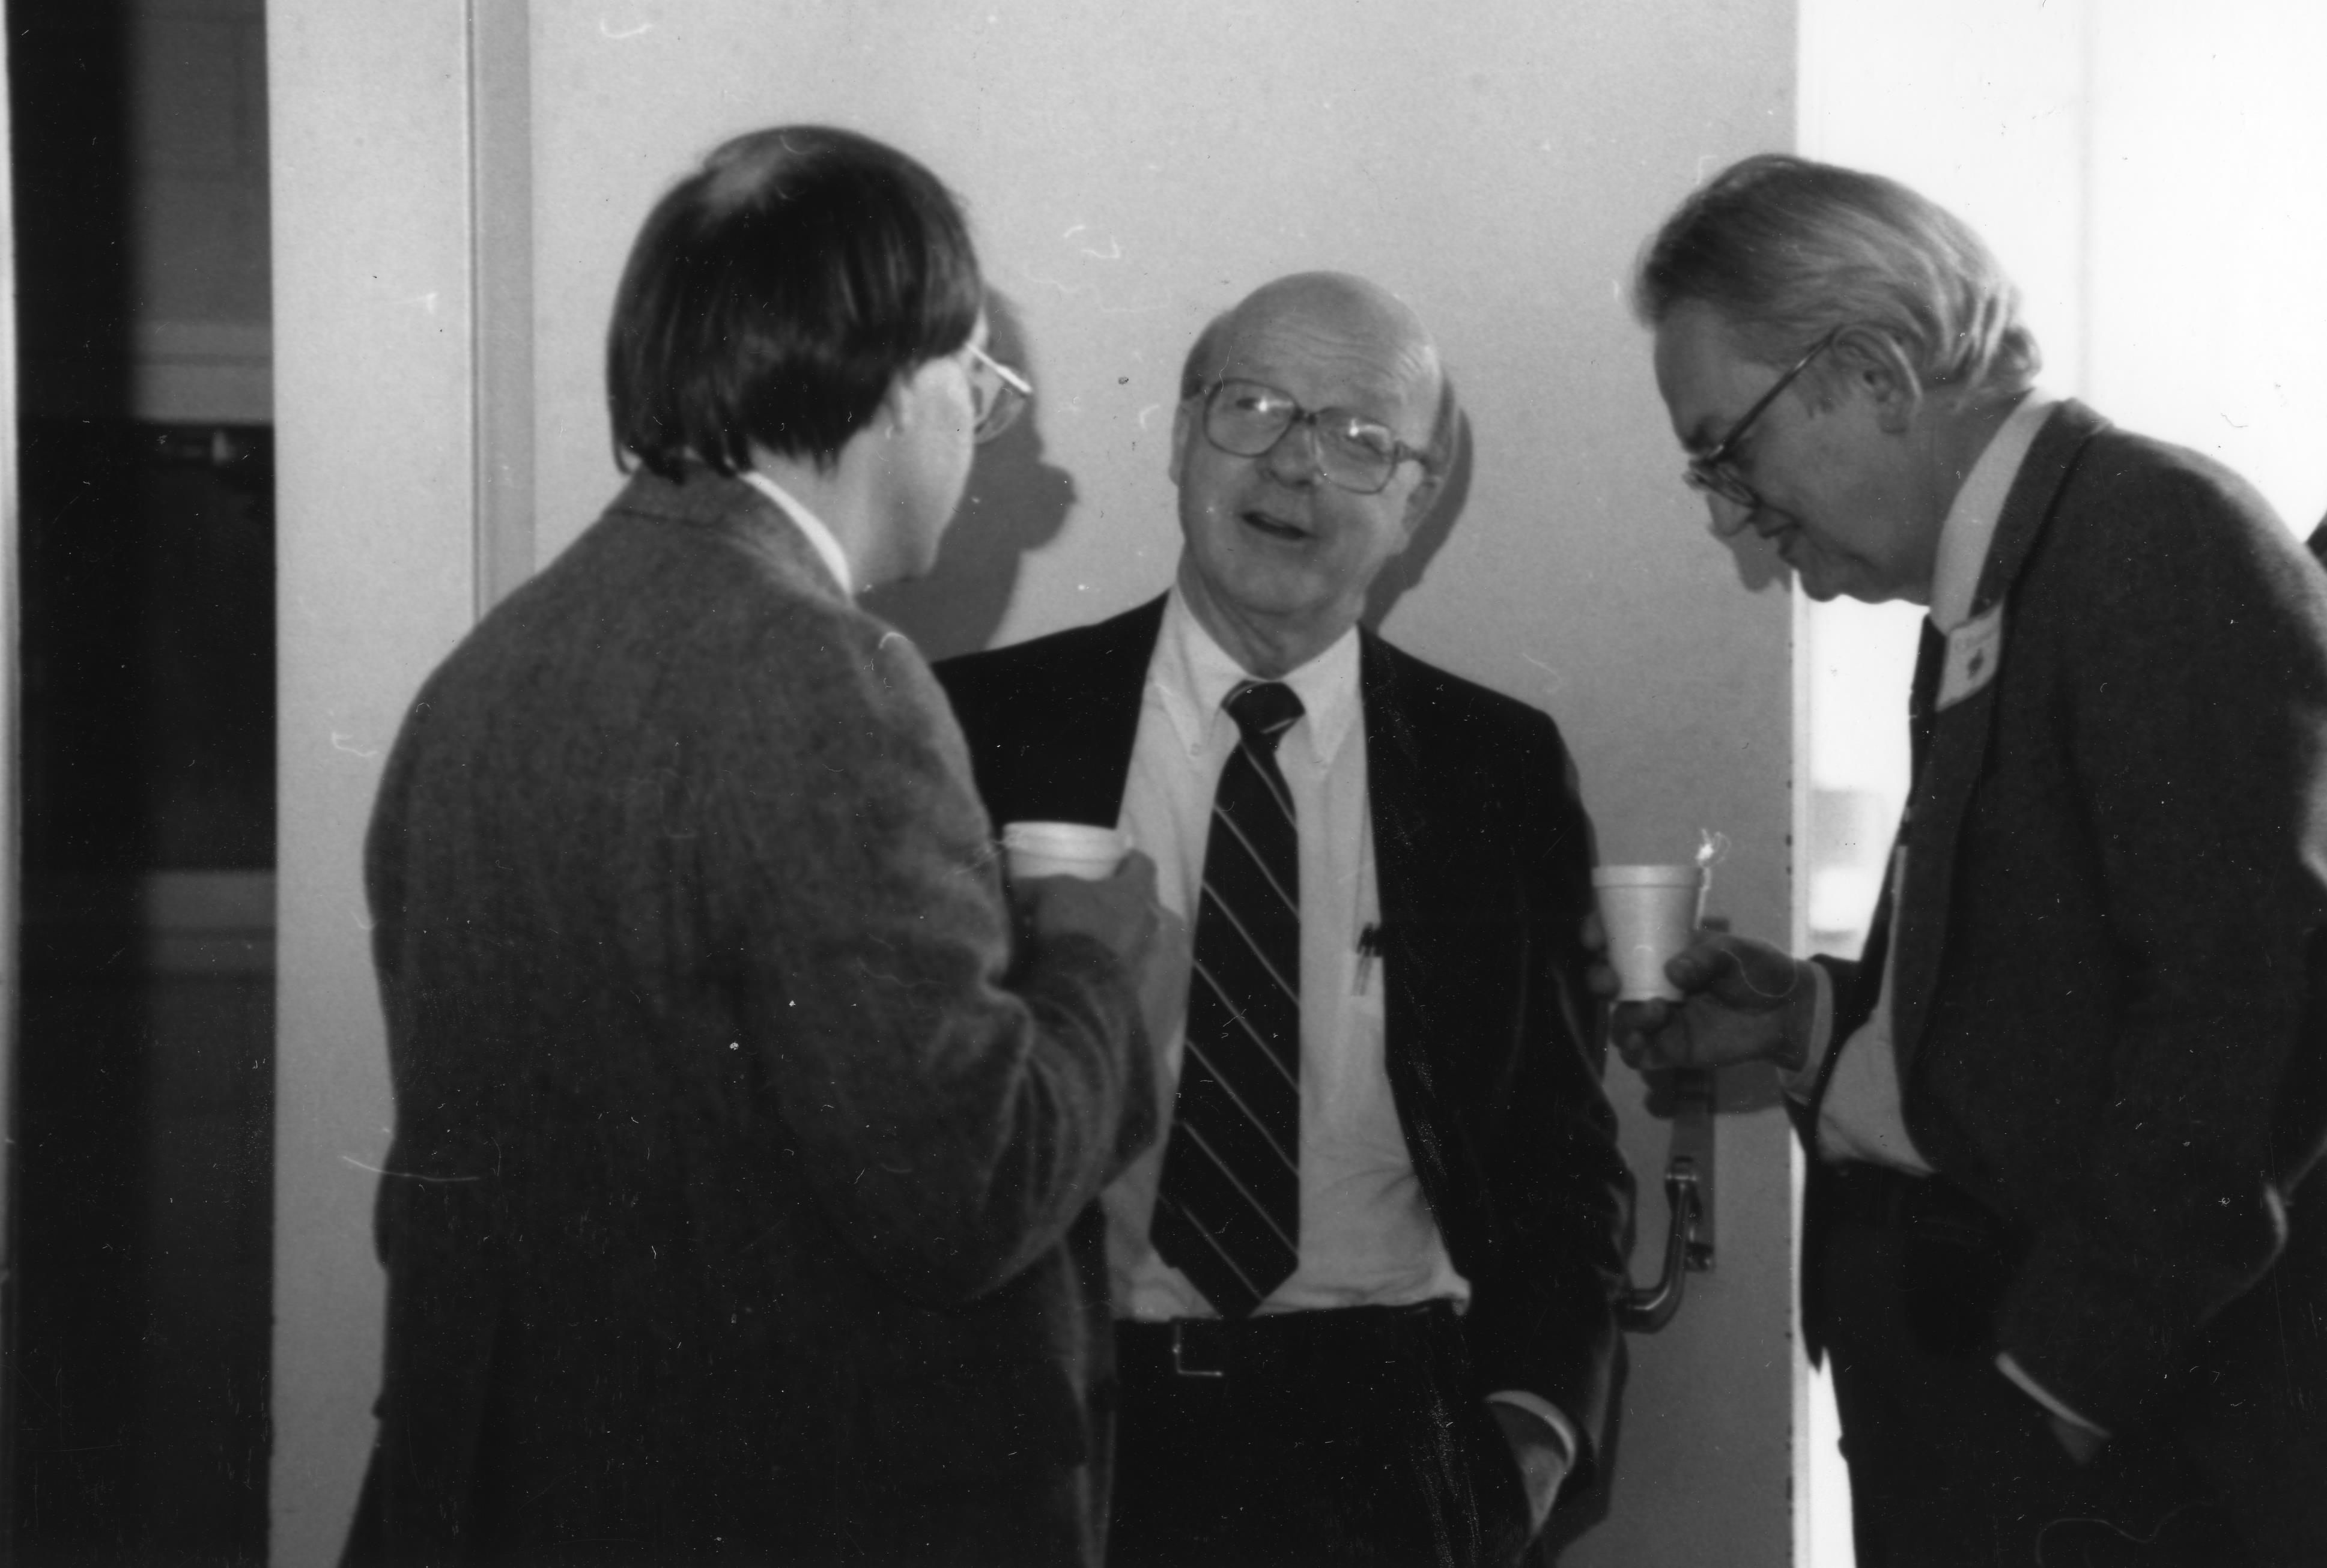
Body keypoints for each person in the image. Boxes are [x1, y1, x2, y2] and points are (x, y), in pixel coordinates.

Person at [344, 126, 1182, 1567]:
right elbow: (964, 1195)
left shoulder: (484, 676)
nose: (980, 435)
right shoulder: (829, 678)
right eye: (974, 380)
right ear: (888, 382)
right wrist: (1096, 973)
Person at [1619, 153, 2327, 1566]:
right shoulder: (2001, 581)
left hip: (2087, 1437)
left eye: (1725, 450)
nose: (1726, 512)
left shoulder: (2147, 537)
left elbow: (2256, 1011)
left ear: (1873, 371)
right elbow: (2068, 995)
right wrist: (1820, 1017)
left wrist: (2056, 1381)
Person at [936, 272, 1633, 1567]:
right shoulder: (978, 726)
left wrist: (1531, 1435)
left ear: (1417, 502)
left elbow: (1553, 1140)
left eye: (1361, 438)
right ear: (1182, 434)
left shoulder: (1493, 766)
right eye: (1252, 407)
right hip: (1056, 1412)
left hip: (1385, 1426)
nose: (1294, 463)